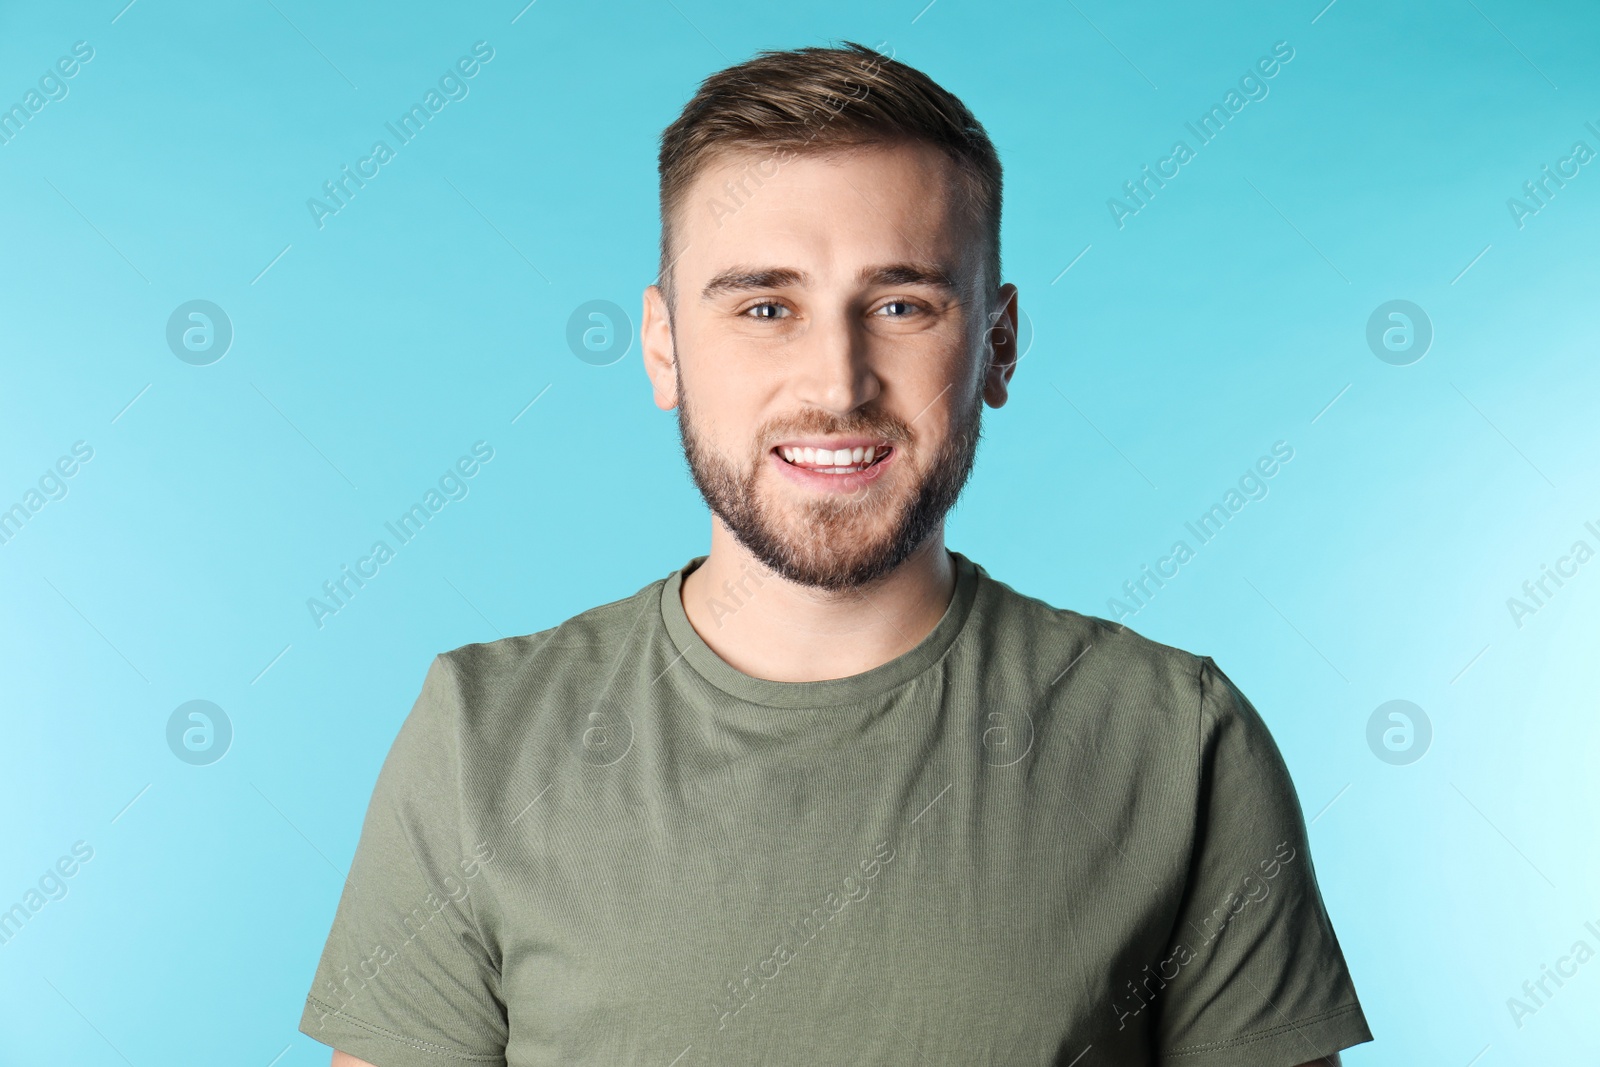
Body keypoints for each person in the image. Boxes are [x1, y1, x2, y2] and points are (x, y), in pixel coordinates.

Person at [299, 40, 1372, 1067]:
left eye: (901, 304)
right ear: (663, 345)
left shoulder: (1176, 741)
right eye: (765, 306)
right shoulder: (481, 740)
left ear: (996, 343)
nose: (836, 382)